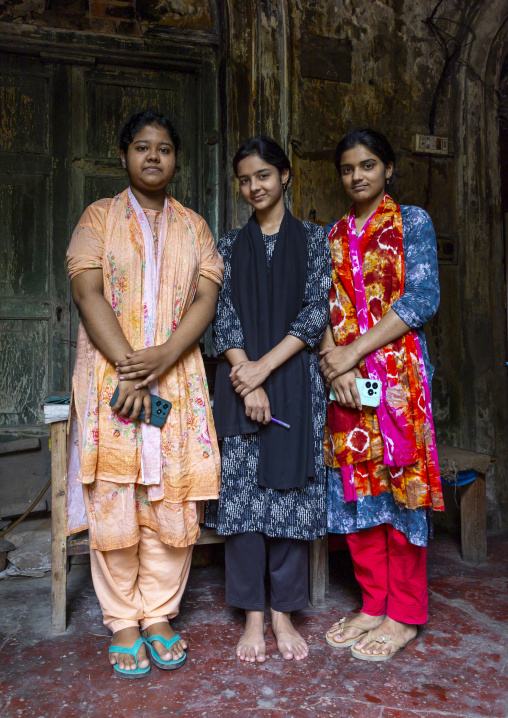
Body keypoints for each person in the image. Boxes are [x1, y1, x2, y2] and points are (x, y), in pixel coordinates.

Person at [66, 110, 224, 678]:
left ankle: (159, 613)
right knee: (116, 497)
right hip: (115, 379)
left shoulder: (195, 227)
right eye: (141, 147)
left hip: (177, 377)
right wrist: (133, 370)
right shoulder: (97, 218)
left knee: (170, 501)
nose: (153, 157)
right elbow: (87, 292)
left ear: (176, 159)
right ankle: (122, 619)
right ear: (125, 156)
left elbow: (204, 301)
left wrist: (163, 357)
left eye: (163, 148)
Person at [206, 136, 331, 663]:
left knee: (288, 500)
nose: (253, 186)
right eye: (244, 179)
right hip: (239, 385)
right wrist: (247, 377)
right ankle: (253, 616)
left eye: (263, 175)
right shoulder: (228, 244)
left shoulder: (316, 239)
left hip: (295, 381)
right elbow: (221, 315)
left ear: (284, 176)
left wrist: (265, 368)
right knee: (242, 503)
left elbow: (314, 312)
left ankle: (283, 612)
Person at [320, 128, 443, 661]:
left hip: (398, 382)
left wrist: (353, 352)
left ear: (388, 169)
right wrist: (333, 362)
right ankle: (373, 605)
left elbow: (423, 297)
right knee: (359, 491)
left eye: (368, 165)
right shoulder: (332, 233)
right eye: (348, 168)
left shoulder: (411, 222)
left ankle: (406, 615)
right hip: (347, 385)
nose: (357, 176)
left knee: (402, 490)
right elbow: (320, 303)